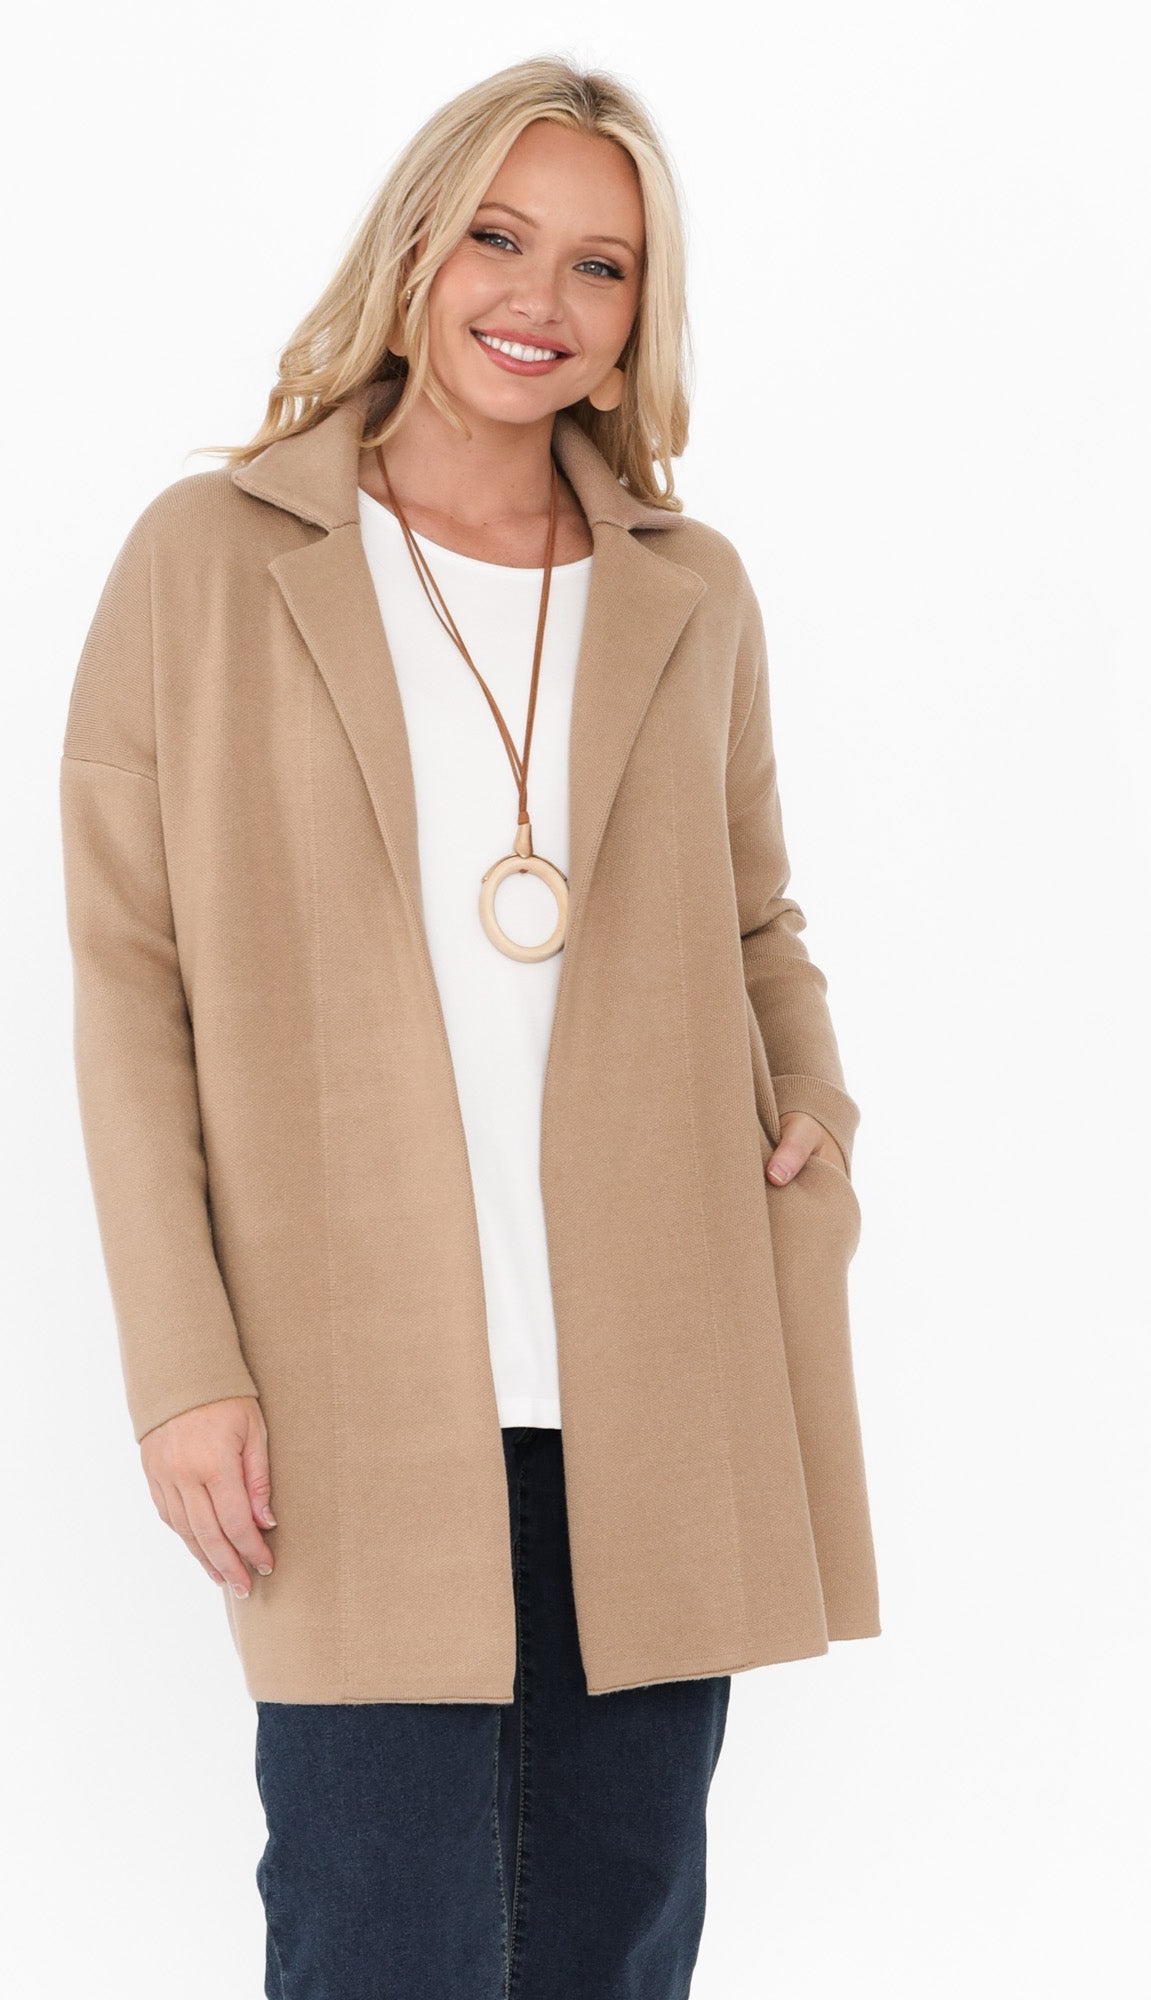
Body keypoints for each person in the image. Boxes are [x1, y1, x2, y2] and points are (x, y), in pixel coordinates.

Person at [59, 55, 880, 2000]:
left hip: (660, 1368)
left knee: (613, 1948)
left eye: (601, 264)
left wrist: (814, 1102)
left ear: (637, 316)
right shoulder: (211, 560)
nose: (539, 296)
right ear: (418, 245)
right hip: (352, 1379)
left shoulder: (690, 591)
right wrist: (183, 1362)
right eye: (500, 237)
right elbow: (127, 977)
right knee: (380, 1940)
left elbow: (758, 916)